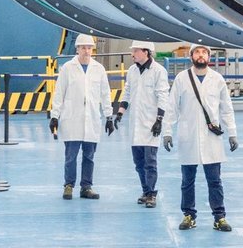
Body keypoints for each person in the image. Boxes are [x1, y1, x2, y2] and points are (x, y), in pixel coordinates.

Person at [163, 44, 238, 232]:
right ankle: (189, 215)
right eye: (197, 52)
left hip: (211, 137)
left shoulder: (217, 79)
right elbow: (171, 107)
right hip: (188, 136)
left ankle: (219, 217)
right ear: (191, 56)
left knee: (215, 180)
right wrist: (167, 132)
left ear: (209, 57)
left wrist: (232, 133)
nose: (201, 55)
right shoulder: (182, 79)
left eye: (204, 52)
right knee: (187, 180)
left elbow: (226, 108)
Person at [50, 33, 114, 200]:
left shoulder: (98, 69)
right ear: (77, 49)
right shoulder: (67, 68)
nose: (87, 51)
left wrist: (109, 116)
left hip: (92, 119)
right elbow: (59, 93)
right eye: (83, 47)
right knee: (70, 156)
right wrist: (54, 116)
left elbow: (105, 94)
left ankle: (86, 187)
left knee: (89, 156)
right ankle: (69, 185)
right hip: (71, 119)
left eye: (89, 48)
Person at [117, 39, 169, 208]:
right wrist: (119, 113)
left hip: (151, 124)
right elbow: (127, 92)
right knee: (138, 162)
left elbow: (163, 96)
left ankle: (151, 193)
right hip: (135, 124)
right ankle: (145, 190)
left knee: (150, 161)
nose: (132, 54)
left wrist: (159, 120)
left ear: (146, 52)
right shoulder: (132, 70)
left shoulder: (158, 71)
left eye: (136, 51)